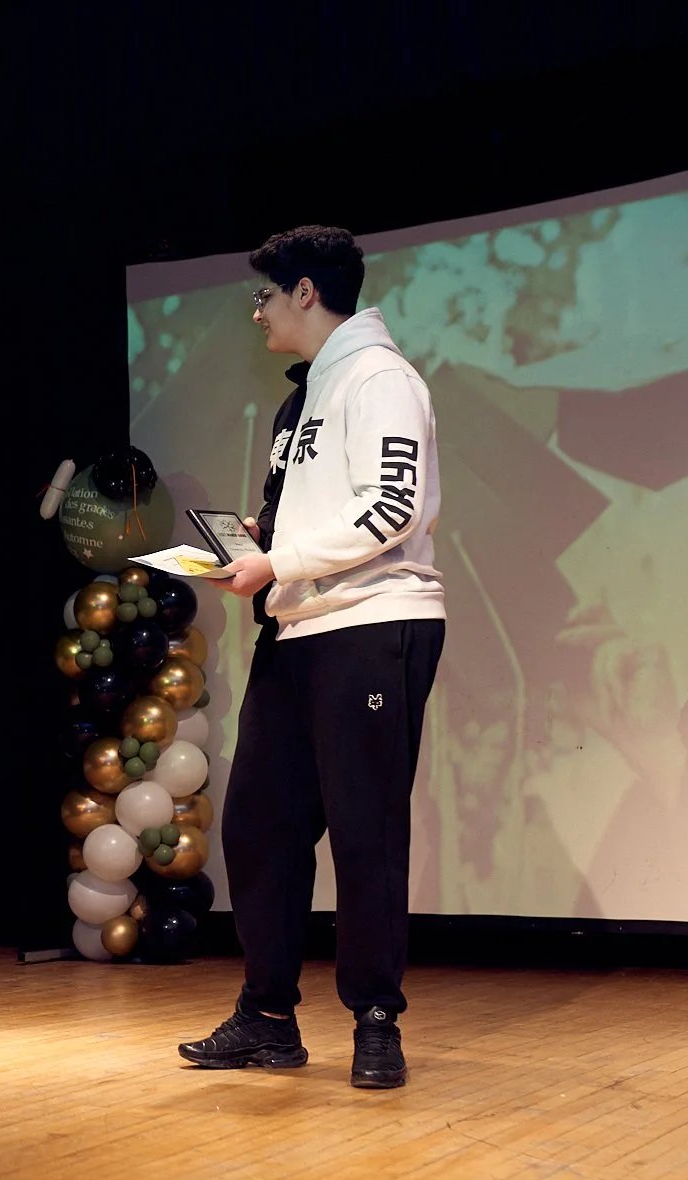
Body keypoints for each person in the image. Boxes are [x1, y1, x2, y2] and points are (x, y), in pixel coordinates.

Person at [177, 226, 447, 1089]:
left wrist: (279, 561)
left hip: (372, 623)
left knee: (366, 829)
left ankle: (376, 1020)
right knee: (261, 823)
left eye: (263, 296)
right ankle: (266, 1016)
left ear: (303, 293)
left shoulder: (380, 378)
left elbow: (394, 506)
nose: (255, 313)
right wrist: (261, 540)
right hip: (299, 630)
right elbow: (315, 512)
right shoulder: (304, 399)